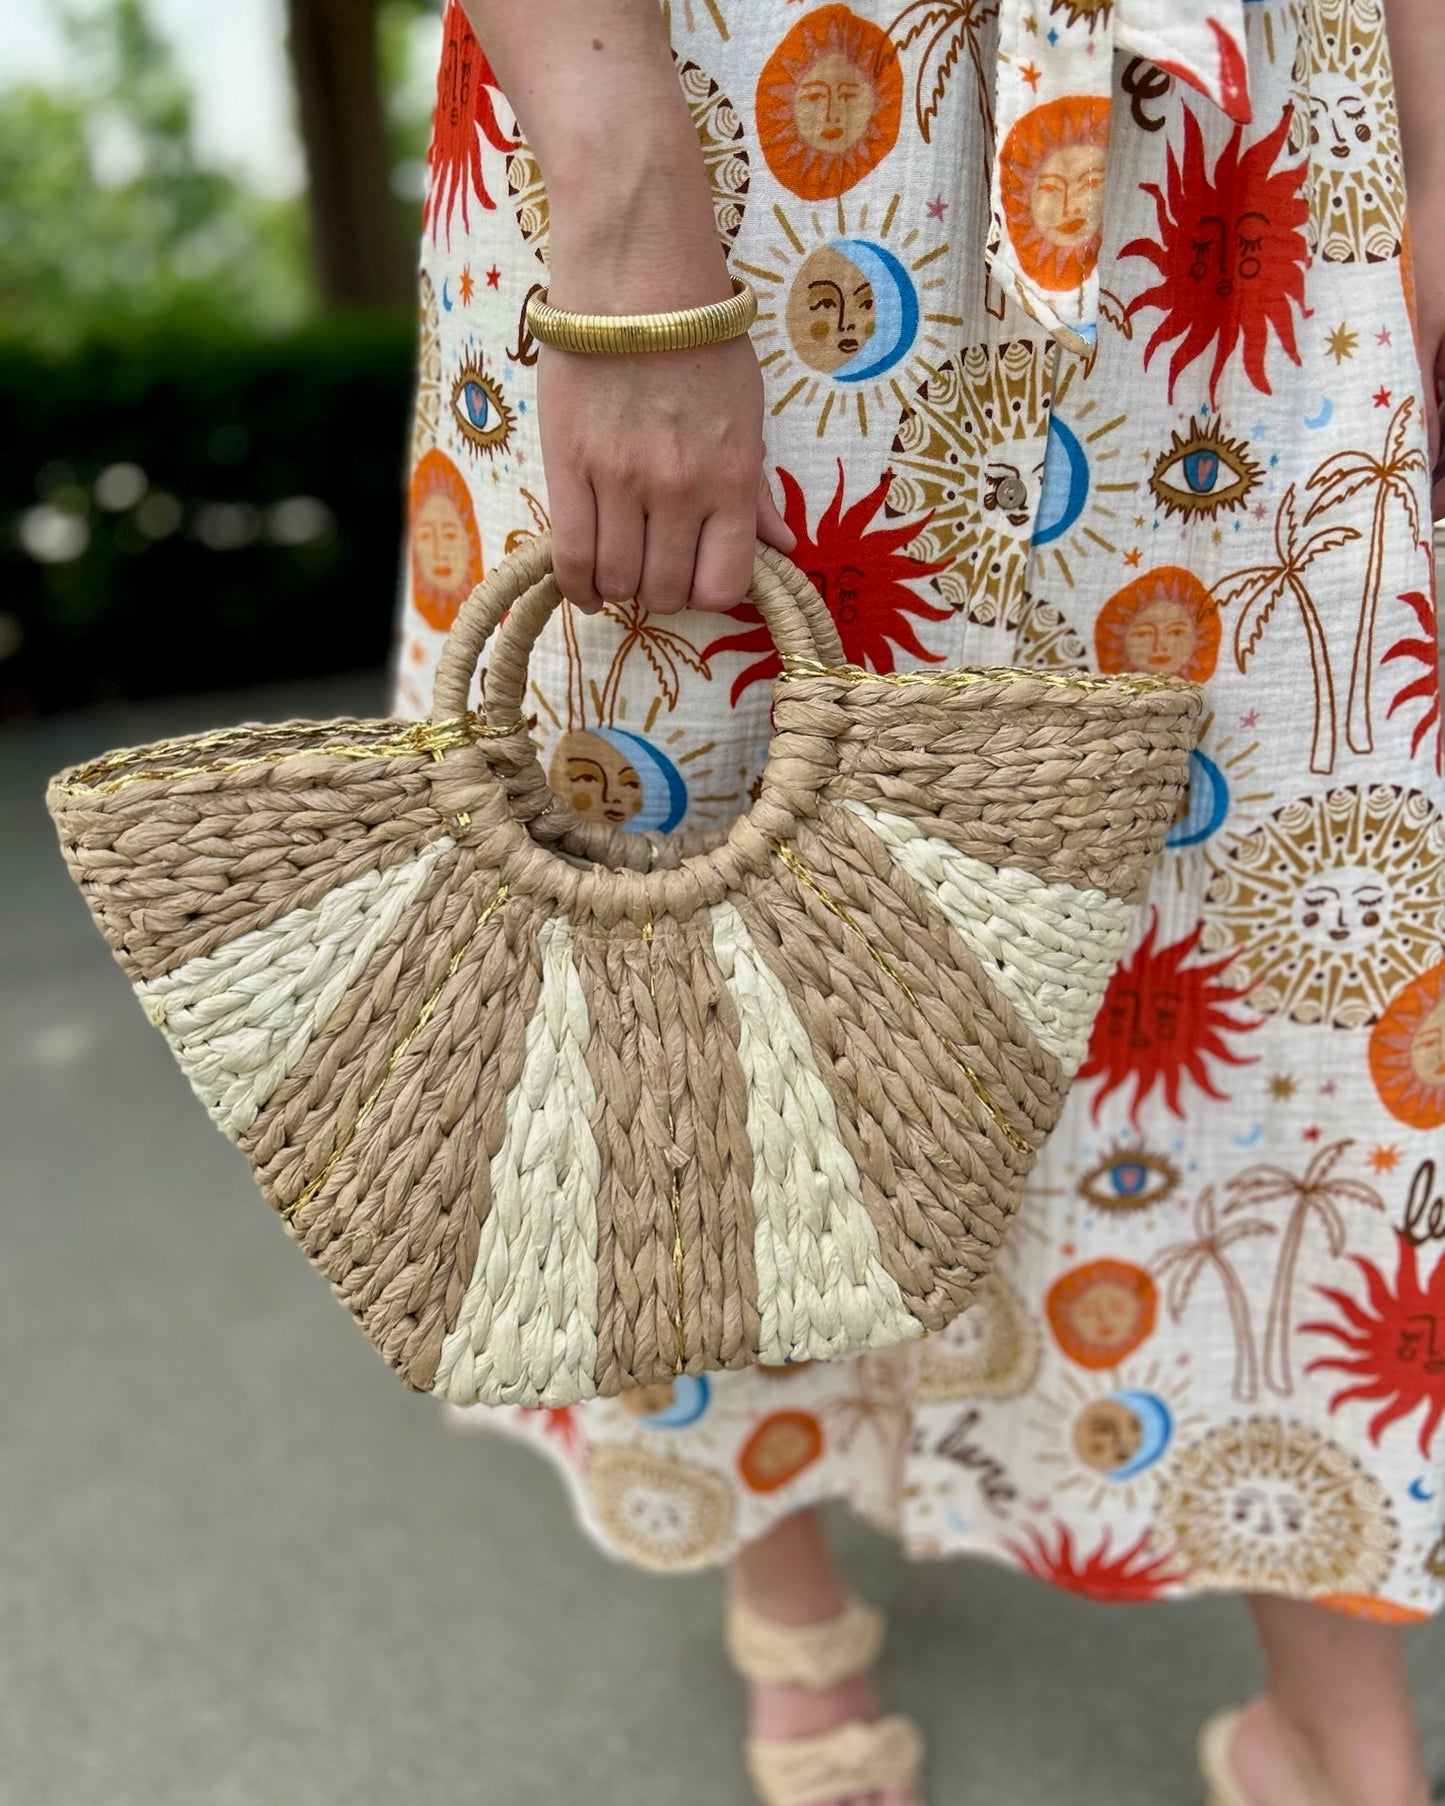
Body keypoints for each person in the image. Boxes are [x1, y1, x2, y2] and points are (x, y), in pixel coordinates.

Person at [391, 0, 1445, 1801]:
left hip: (1247, 150)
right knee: (698, 910)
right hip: (732, 134)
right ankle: (779, 1569)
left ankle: (1341, 1724)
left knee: (1279, 932)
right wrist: (627, 194)